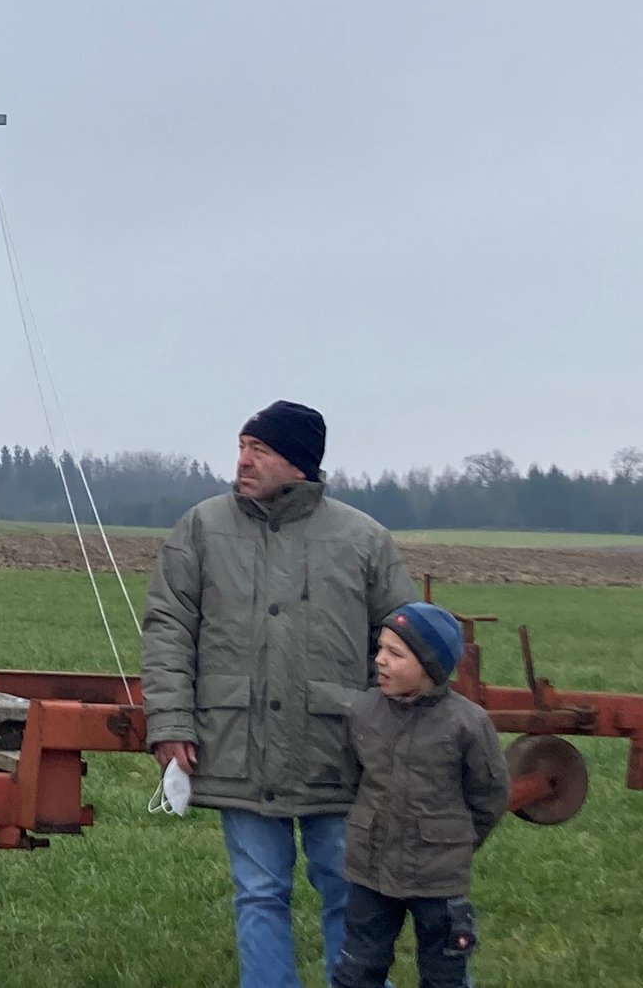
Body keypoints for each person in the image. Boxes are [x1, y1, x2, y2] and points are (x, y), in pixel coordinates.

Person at [141, 400, 417, 988]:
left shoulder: (364, 539)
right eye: (241, 445)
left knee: (348, 887)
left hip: (340, 749)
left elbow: (403, 641)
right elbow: (168, 626)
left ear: (297, 462)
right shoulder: (201, 527)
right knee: (259, 890)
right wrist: (170, 721)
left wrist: (393, 734)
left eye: (259, 449)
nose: (243, 460)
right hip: (237, 742)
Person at [331, 602, 509, 987]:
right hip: (370, 870)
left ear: (430, 665)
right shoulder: (363, 711)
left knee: (445, 971)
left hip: (439, 877)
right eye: (379, 649)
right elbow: (351, 779)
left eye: (395, 654)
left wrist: (454, 840)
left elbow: (489, 795)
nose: (380, 660)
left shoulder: (468, 723)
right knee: (358, 968)